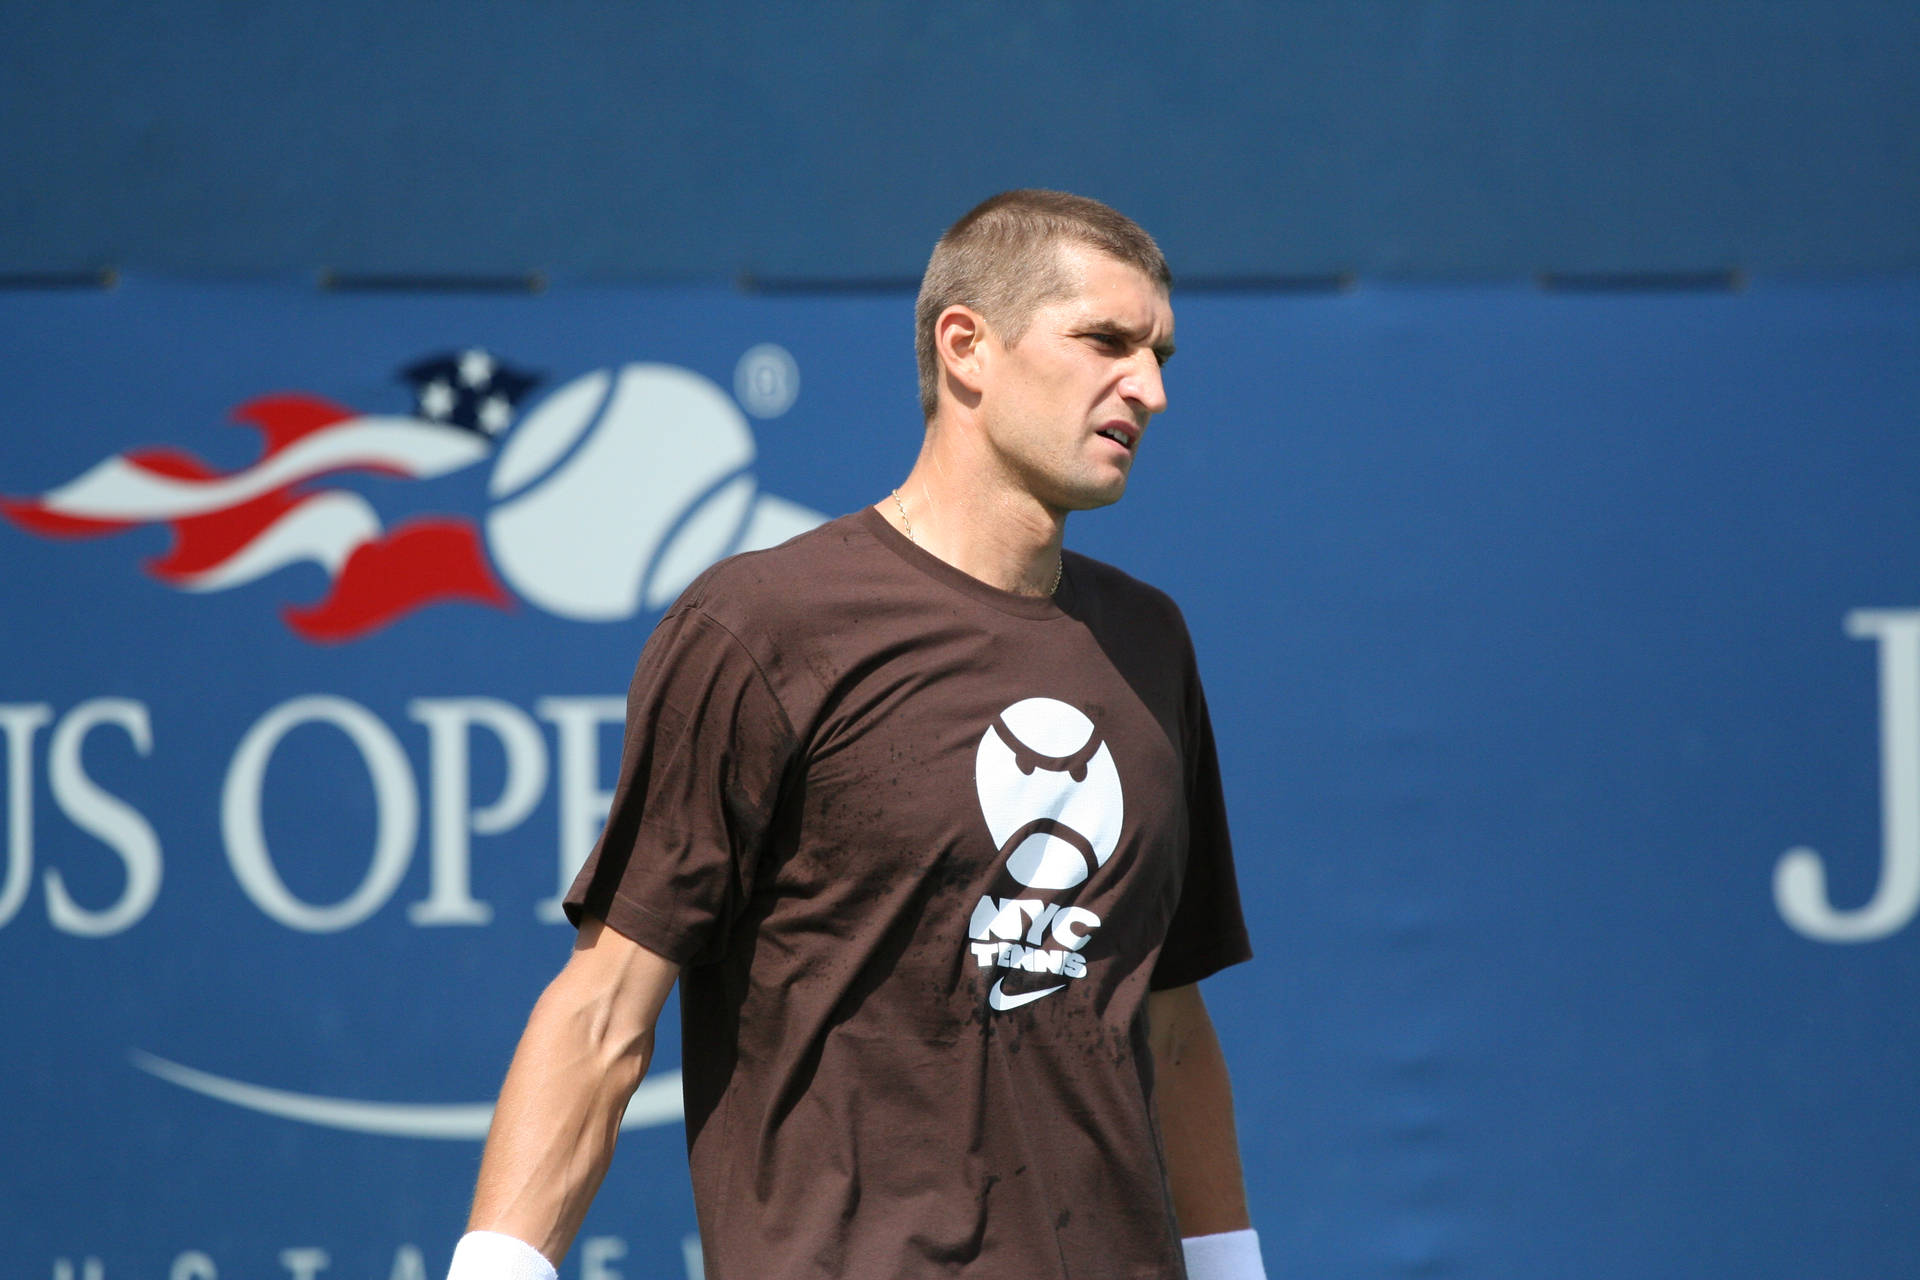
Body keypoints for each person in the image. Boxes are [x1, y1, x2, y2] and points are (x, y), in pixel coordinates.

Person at [446, 190, 1266, 1280]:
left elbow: (1168, 1017)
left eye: (1160, 352)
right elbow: (603, 1012)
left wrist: (1230, 1266)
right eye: (1106, 342)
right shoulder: (761, 627)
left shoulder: (1149, 642)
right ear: (966, 346)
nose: (1151, 389)